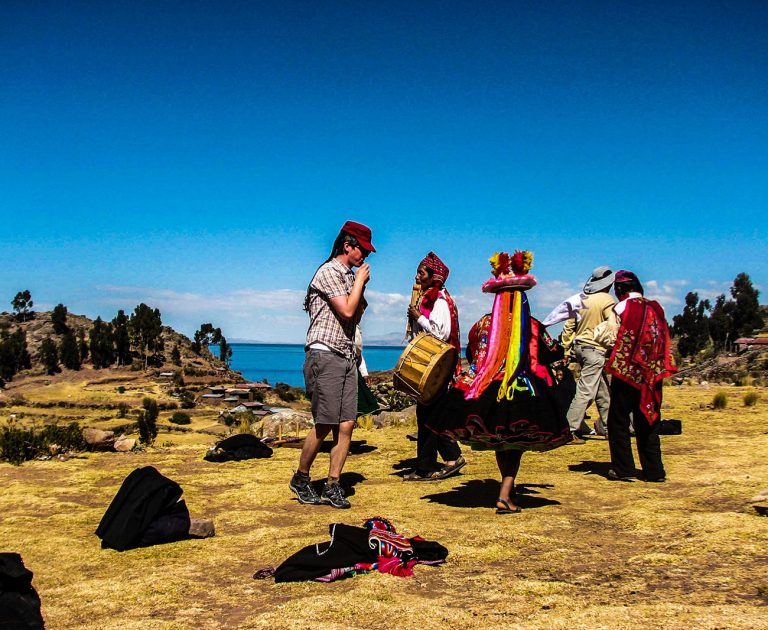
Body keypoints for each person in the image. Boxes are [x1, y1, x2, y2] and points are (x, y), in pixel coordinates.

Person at [427, 251, 571, 513]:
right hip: (524, 390)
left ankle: (507, 488)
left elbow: (472, 353)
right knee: (513, 443)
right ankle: (505, 492)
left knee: (501, 441)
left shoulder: (483, 324)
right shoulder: (533, 326)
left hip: (488, 390)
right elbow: (553, 351)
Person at [289, 221, 374, 509]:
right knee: (325, 422)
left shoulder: (349, 277)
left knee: (347, 424)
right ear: (348, 246)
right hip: (324, 354)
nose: (366, 256)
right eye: (363, 249)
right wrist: (359, 282)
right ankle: (301, 477)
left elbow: (356, 315)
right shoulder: (328, 273)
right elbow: (347, 309)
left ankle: (333, 484)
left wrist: (358, 284)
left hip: (347, 355)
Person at [602, 270, 677, 482]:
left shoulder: (621, 307)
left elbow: (610, 336)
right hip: (652, 372)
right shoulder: (656, 307)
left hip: (627, 370)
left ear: (620, 290)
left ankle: (623, 467)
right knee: (648, 417)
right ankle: (654, 471)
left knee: (618, 419)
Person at [402, 252, 465, 481]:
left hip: (438, 366)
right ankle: (437, 461)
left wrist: (418, 317)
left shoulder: (439, 300)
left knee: (430, 414)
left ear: (434, 276)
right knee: (429, 414)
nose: (417, 276)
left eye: (422, 272)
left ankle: (433, 464)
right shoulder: (428, 297)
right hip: (430, 364)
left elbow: (442, 332)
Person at [554, 266, 617, 442]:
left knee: (602, 391)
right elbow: (611, 325)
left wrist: (566, 350)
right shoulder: (606, 300)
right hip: (595, 349)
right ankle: (569, 428)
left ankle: (607, 427)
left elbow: (569, 328)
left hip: (579, 348)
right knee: (586, 390)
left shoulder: (581, 300)